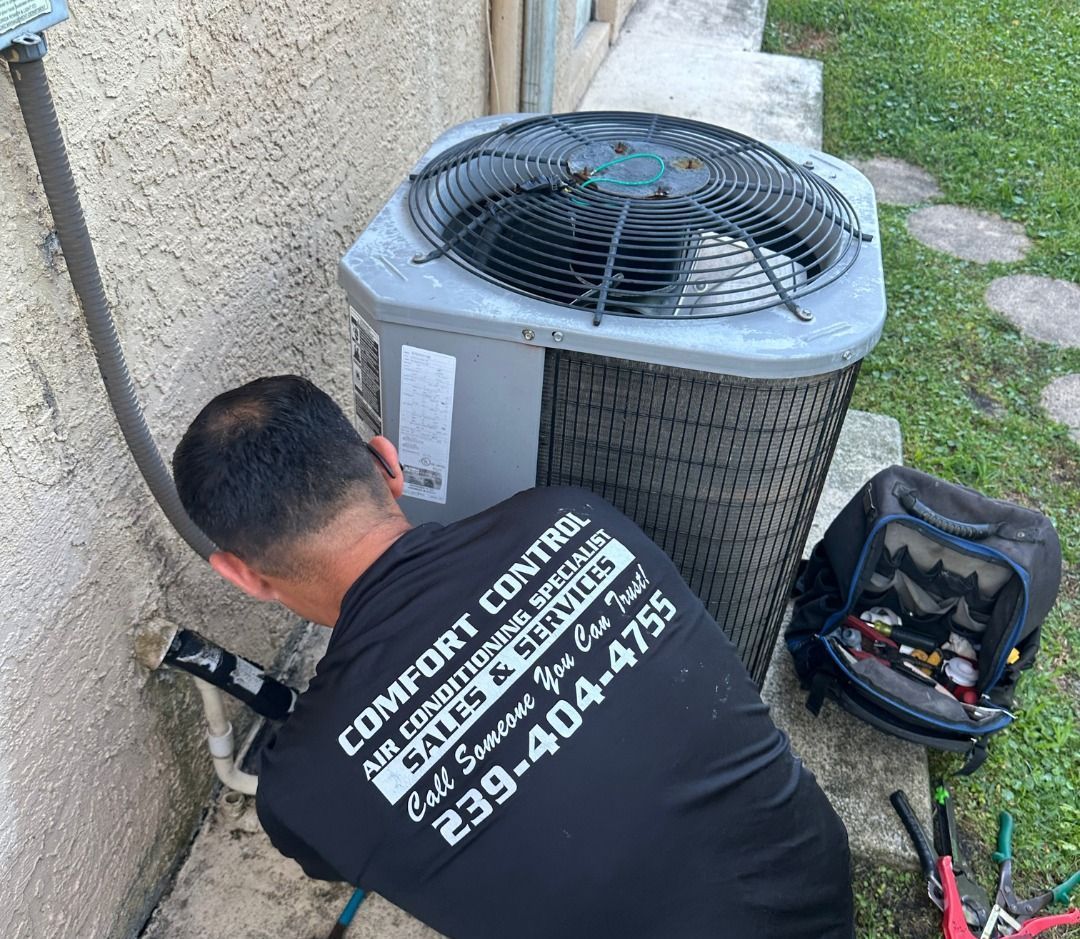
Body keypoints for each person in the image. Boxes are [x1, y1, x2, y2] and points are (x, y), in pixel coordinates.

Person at [173, 374, 854, 939]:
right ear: (388, 464)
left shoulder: (304, 789)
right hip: (814, 886)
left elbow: (331, 853)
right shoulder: (573, 515)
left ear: (242, 575)